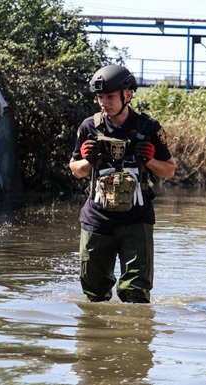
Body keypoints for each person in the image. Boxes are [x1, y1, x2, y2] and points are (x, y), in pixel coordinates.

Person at [69, 64, 175, 303]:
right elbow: (75, 170)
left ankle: (135, 337)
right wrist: (88, 161)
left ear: (127, 95)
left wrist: (148, 160)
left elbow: (169, 170)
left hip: (136, 220)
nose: (104, 103)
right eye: (100, 97)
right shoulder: (89, 127)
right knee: (94, 293)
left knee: (135, 293)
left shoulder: (149, 128)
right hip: (97, 220)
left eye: (109, 97)